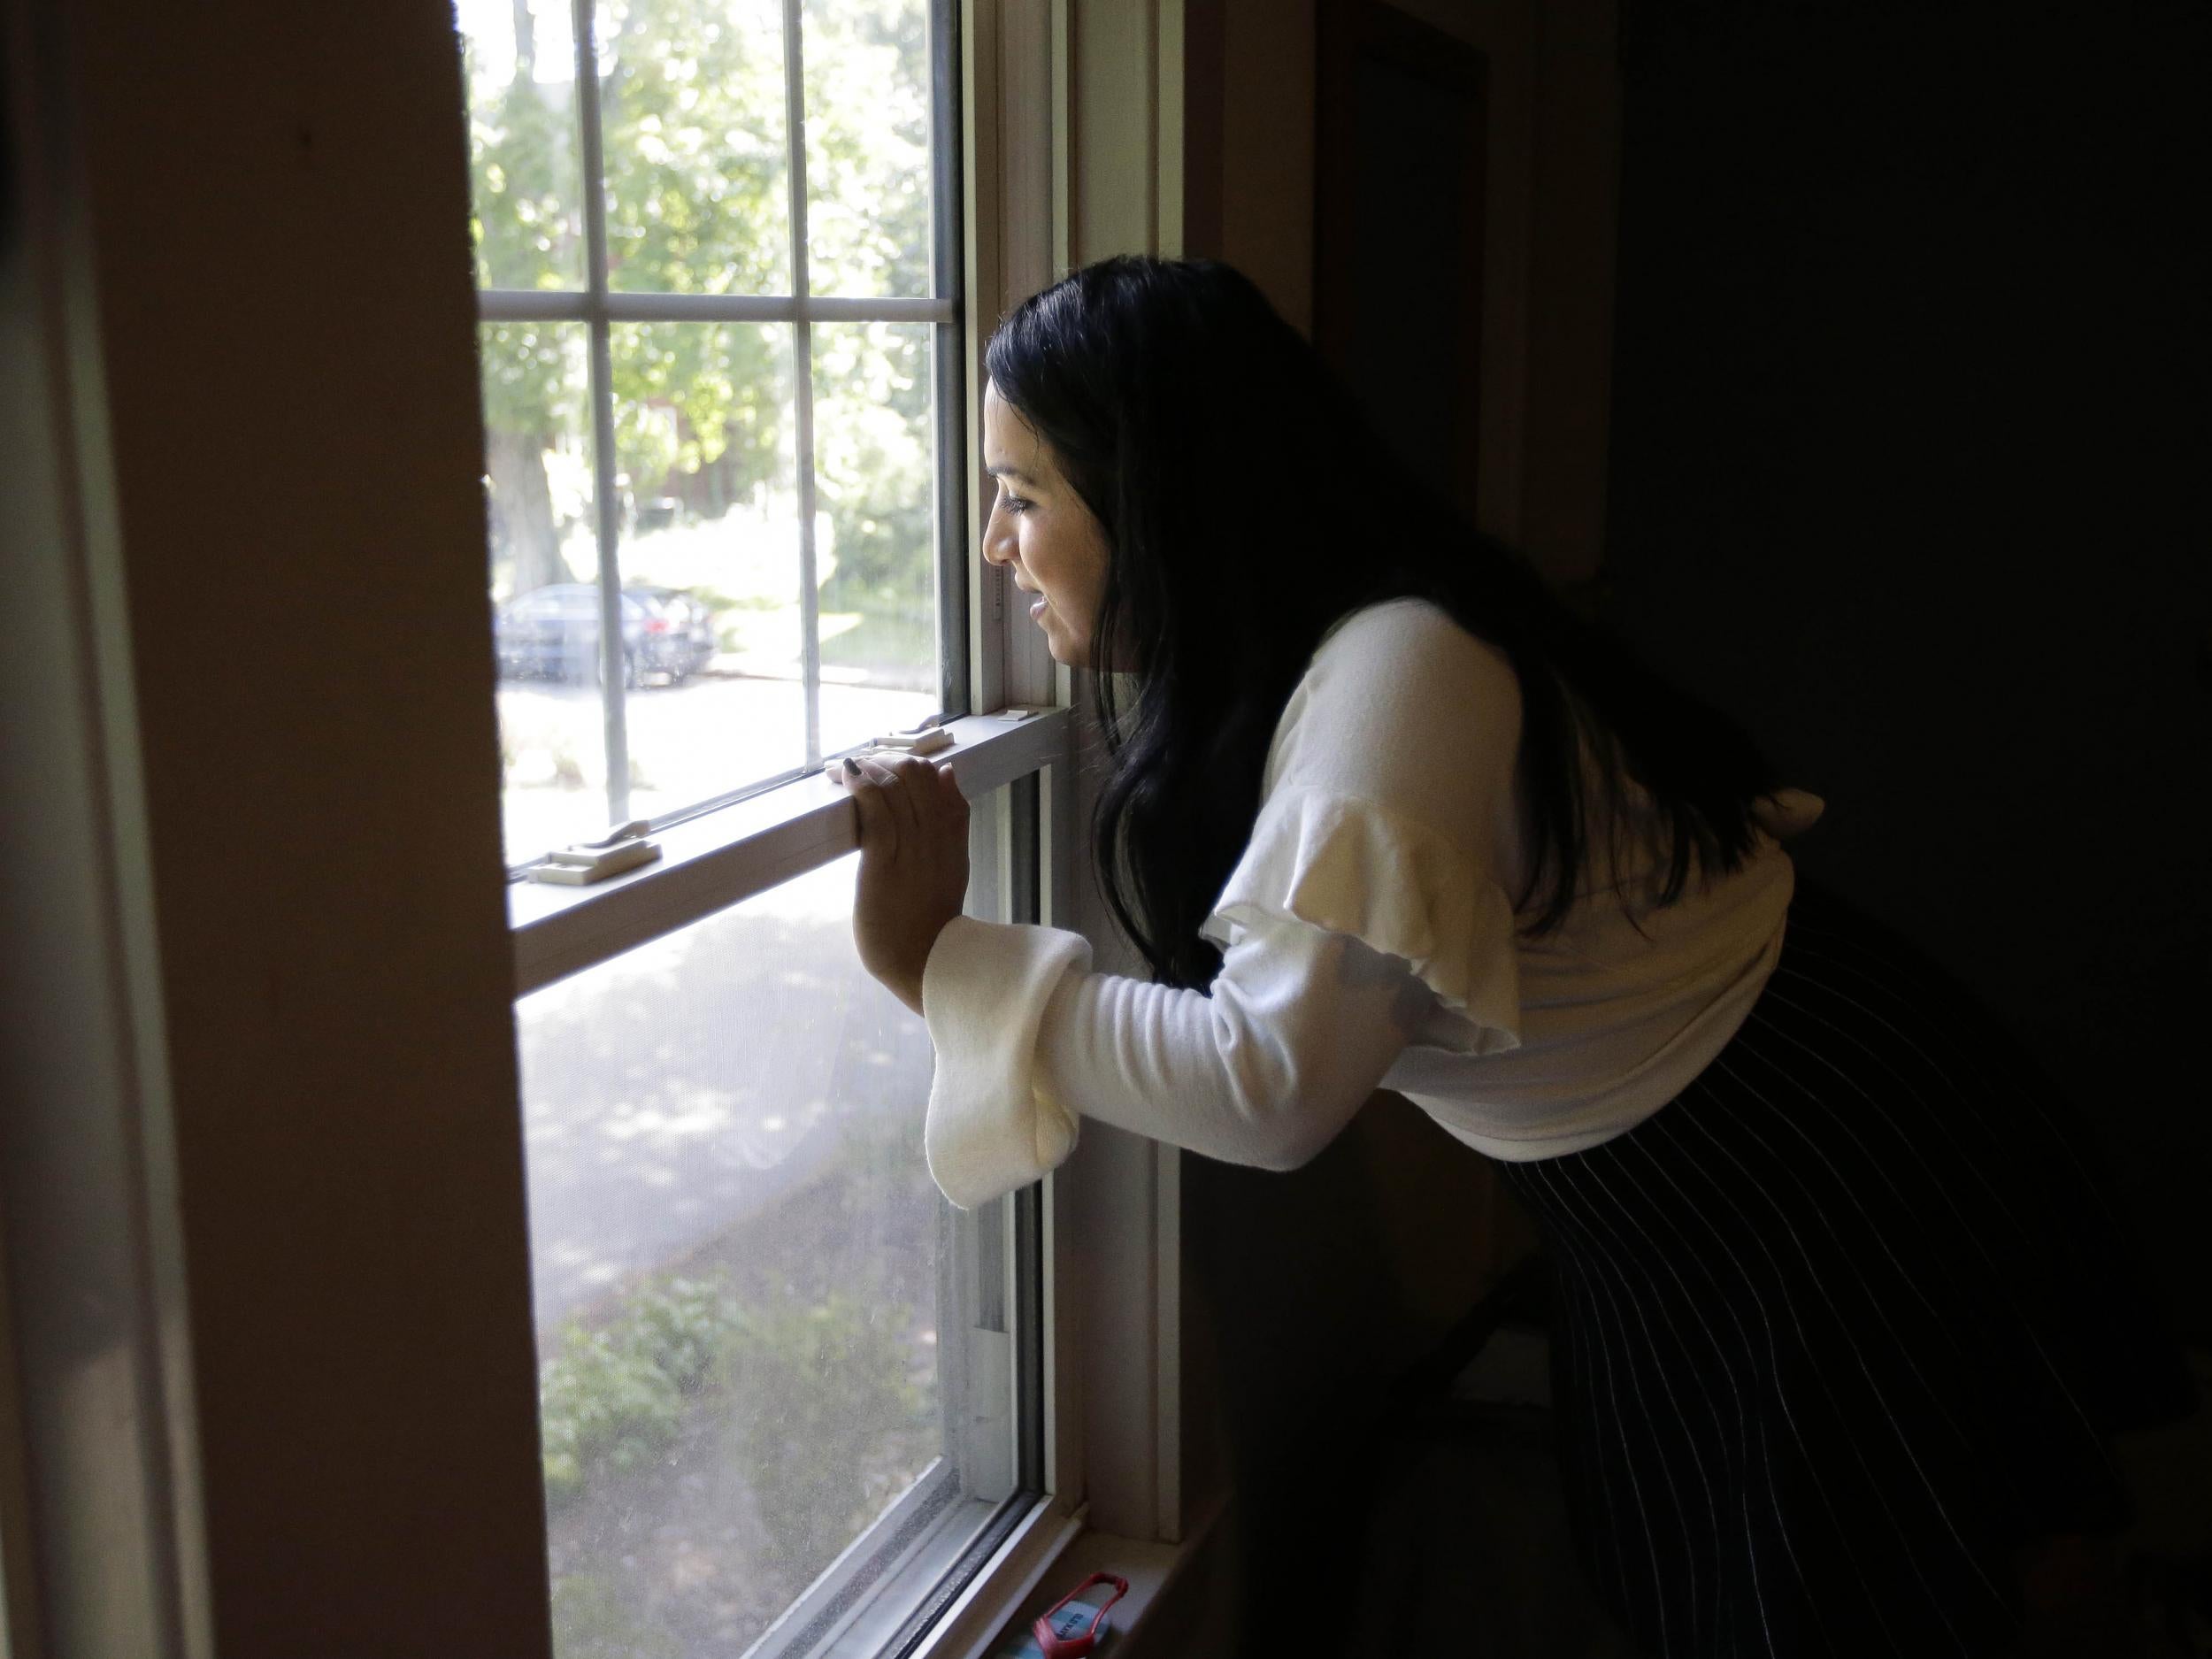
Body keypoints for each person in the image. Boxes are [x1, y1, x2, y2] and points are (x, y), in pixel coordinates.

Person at [837, 255, 2195, 1658]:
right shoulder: (1343, 650)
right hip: (1702, 1163)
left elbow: (1272, 1085)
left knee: (1928, 1586)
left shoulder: (1398, 671)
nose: (996, 543)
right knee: (1924, 1573)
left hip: (1802, 1151)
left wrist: (940, 960)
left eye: (1023, 492)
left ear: (1160, 492)